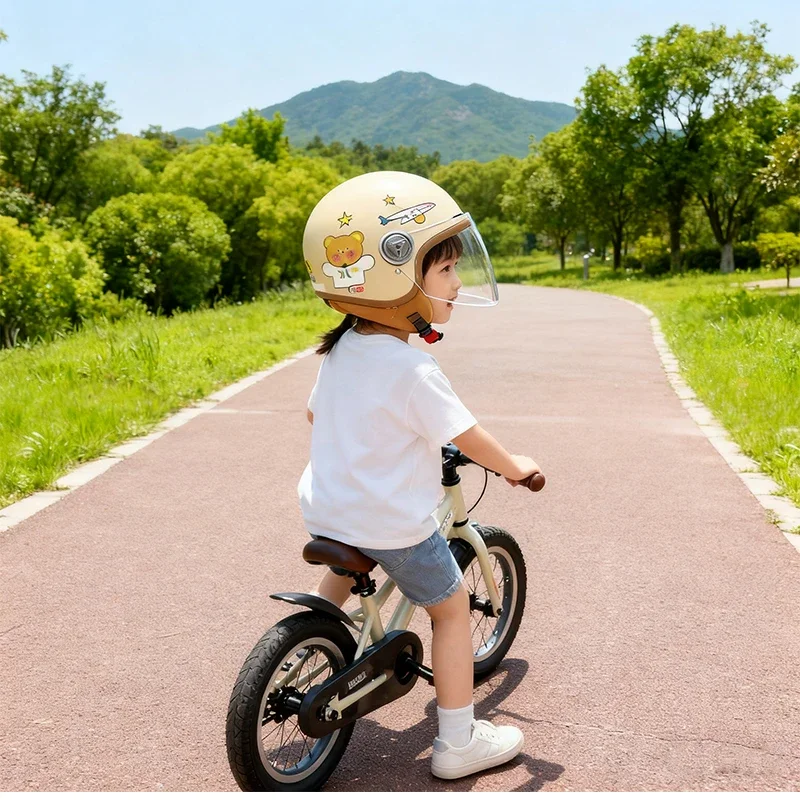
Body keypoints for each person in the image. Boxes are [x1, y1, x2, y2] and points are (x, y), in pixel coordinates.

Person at [297, 171, 541, 780]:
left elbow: (314, 410)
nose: (458, 283)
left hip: (327, 508)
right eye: (447, 270)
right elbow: (465, 435)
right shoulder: (413, 368)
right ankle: (458, 742)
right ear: (396, 279)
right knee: (452, 608)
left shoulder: (342, 347)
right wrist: (514, 469)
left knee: (349, 557)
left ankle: (315, 641)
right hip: (391, 522)